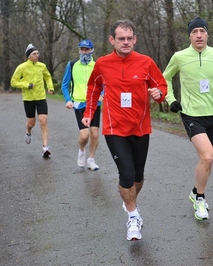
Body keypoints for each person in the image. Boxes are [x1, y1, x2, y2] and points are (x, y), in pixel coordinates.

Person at [81, 19, 167, 241]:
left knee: (138, 177)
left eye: (130, 38)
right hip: (114, 128)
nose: (126, 42)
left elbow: (161, 85)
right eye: (121, 38)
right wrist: (89, 113)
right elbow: (93, 89)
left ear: (135, 39)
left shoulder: (146, 62)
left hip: (140, 128)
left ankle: (129, 200)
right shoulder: (102, 64)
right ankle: (133, 216)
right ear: (112, 40)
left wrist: (159, 95)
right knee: (126, 174)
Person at [163, 17, 213, 221]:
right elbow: (165, 78)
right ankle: (200, 199)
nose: (198, 35)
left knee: (208, 160)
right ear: (189, 35)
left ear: (207, 34)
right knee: (207, 157)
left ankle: (195, 190)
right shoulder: (179, 56)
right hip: (191, 114)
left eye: (202, 31)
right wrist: (171, 100)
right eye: (194, 31)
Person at [61, 39, 102, 170]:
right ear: (79, 50)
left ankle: (91, 159)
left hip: (95, 103)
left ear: (92, 50)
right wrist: (68, 99)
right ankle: (82, 150)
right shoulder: (72, 64)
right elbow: (65, 85)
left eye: (87, 49)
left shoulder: (97, 65)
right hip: (78, 104)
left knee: (94, 134)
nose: (84, 52)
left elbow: (105, 83)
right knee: (84, 136)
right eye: (82, 49)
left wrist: (103, 93)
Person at [11, 44, 55, 158]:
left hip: (41, 97)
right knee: (31, 123)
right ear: (29, 56)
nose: (37, 56)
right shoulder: (22, 67)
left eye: (37, 53)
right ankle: (28, 131)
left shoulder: (42, 66)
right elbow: (13, 82)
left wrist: (50, 87)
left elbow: (48, 77)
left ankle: (45, 147)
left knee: (43, 121)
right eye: (34, 54)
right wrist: (26, 85)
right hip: (28, 98)